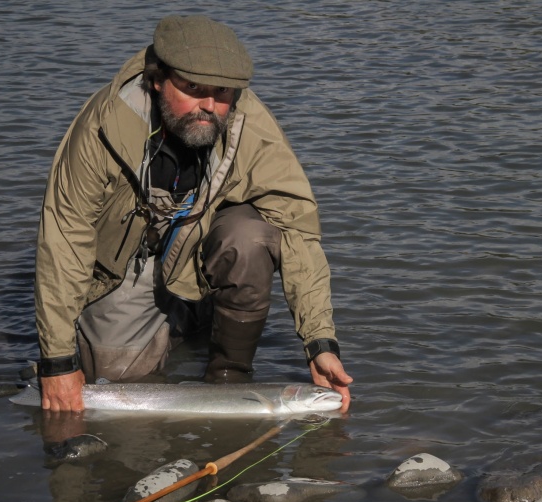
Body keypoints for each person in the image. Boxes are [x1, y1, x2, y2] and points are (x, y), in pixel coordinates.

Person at [34, 15, 352, 412]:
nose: (208, 106)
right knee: (113, 379)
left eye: (222, 92)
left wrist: (320, 343)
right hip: (124, 266)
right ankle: (186, 323)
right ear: (157, 78)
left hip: (198, 248)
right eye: (191, 88)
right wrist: (57, 361)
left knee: (251, 236)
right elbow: (64, 242)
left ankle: (230, 376)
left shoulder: (249, 124)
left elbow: (298, 229)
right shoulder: (103, 126)